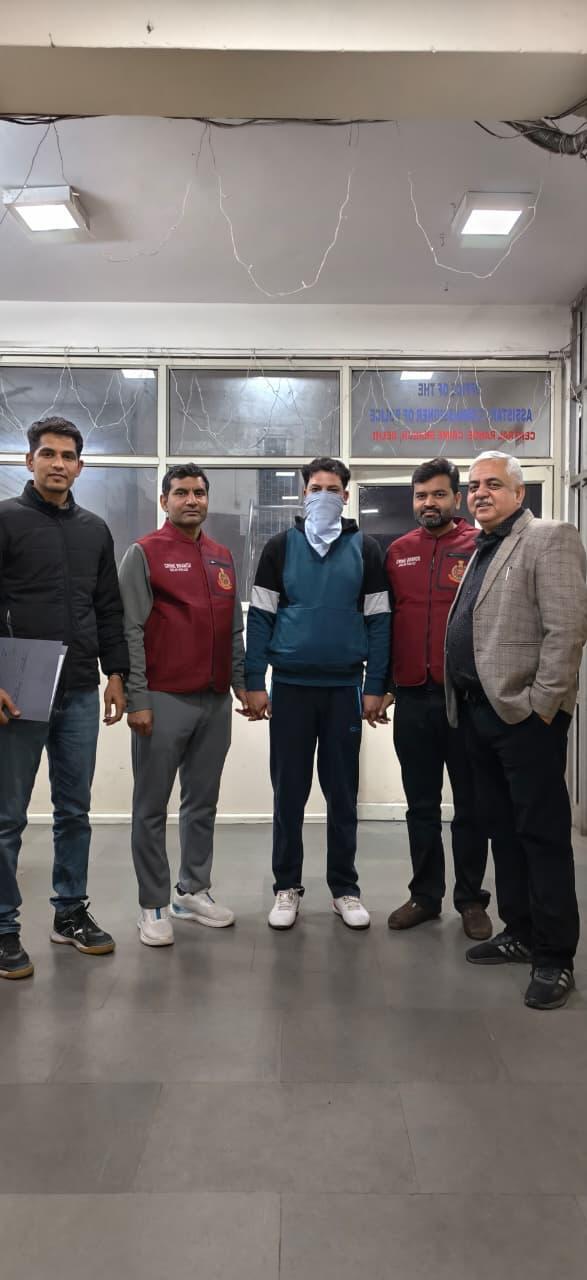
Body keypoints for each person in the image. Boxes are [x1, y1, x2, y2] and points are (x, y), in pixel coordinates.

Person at [445, 450, 587, 1010]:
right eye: (474, 485)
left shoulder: (549, 538)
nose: (479, 493)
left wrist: (542, 707)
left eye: (493, 484)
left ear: (519, 493)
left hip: (525, 719)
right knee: (502, 831)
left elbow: (567, 630)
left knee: (542, 836)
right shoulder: (484, 546)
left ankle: (555, 957)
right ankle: (521, 931)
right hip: (478, 715)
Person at [0, 416, 128, 980]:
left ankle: (69, 912)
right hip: (18, 688)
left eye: (68, 455)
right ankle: (3, 926)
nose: (58, 463)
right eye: (48, 454)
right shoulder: (5, 520)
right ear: (28, 460)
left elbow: (108, 607)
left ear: (80, 465)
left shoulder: (94, 529)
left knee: (74, 811)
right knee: (7, 816)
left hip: (78, 687)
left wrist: (116, 673)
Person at [245, 456, 390, 931]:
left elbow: (379, 622)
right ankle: (286, 887)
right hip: (290, 688)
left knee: (343, 795)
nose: (323, 495)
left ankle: (345, 889)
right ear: (303, 493)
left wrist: (375, 686)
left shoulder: (366, 549)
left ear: (345, 496)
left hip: (344, 688)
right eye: (315, 488)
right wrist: (254, 681)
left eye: (332, 489)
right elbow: (260, 618)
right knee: (288, 794)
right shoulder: (279, 547)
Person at [118, 463, 247, 947]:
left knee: (202, 802)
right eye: (181, 492)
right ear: (164, 501)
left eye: (198, 492)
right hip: (163, 698)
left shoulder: (221, 556)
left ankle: (191, 891)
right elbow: (130, 629)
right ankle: (152, 903)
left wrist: (241, 682)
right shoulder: (144, 553)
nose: (191, 500)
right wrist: (138, 698)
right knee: (151, 806)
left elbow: (232, 627)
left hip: (214, 700)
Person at [383, 458, 491, 940]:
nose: (429, 503)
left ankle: (470, 900)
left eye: (439, 494)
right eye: (421, 495)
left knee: (471, 805)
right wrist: (381, 686)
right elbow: (384, 624)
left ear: (456, 498)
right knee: (420, 805)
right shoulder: (398, 552)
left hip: (465, 699)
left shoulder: (478, 547)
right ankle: (425, 896)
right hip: (412, 696)